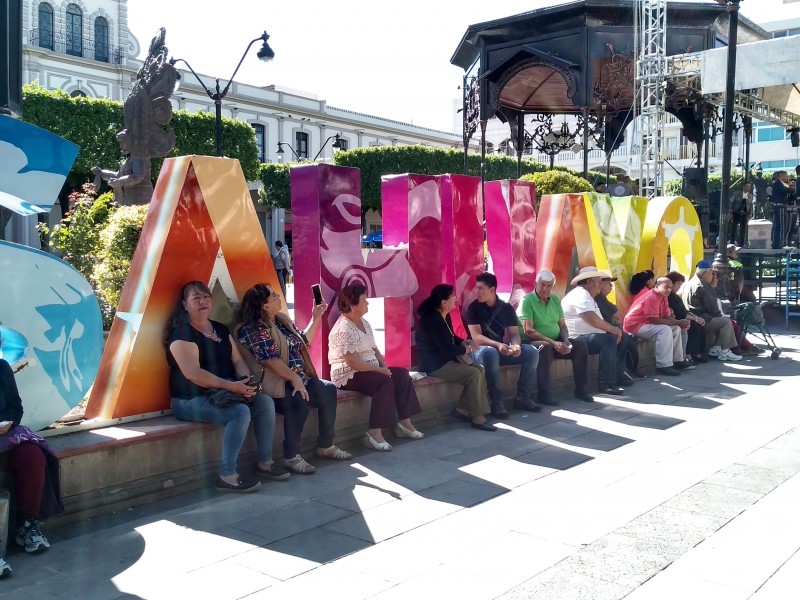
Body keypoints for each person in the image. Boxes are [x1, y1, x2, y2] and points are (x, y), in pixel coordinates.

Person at [165, 281, 284, 493]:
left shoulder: (219, 328)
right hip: (189, 399)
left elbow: (237, 359)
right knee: (239, 412)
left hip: (224, 392)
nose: (202, 301)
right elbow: (194, 374)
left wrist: (246, 381)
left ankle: (265, 462)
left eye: (206, 297)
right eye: (196, 298)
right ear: (185, 304)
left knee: (264, 402)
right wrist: (232, 386)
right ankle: (227, 475)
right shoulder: (181, 334)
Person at [236, 283, 351, 475]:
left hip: (296, 379)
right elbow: (270, 360)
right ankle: (291, 456)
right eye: (273, 296)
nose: (278, 298)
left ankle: (326, 445)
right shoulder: (253, 328)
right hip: (274, 386)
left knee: (328, 389)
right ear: (264, 306)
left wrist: (316, 317)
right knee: (298, 400)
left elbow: (303, 342)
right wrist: (295, 379)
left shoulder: (281, 320)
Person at [328, 284, 423, 451]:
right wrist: (381, 371)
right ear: (352, 305)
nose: (368, 304)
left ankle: (405, 423)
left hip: (370, 369)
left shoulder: (364, 322)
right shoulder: (343, 328)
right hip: (349, 373)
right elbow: (352, 362)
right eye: (364, 300)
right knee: (383, 382)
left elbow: (374, 349)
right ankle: (374, 433)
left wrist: (385, 367)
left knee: (401, 374)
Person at [0, 350, 64, 578]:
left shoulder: (2, 367)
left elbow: (14, 408)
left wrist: (7, 424)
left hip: (3, 437)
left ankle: (27, 526)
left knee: (32, 455)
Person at [415, 284, 496, 431]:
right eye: (452, 297)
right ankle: (478, 417)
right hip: (435, 364)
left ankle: (462, 410)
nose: (455, 299)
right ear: (443, 303)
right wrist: (467, 348)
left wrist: (464, 341)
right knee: (473, 374)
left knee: (479, 369)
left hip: (445, 360)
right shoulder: (433, 320)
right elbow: (446, 349)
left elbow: (451, 338)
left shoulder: (444, 316)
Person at [464, 273, 541, 419]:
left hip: (499, 349)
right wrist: (499, 345)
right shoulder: (473, 308)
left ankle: (522, 397)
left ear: (492, 290)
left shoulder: (506, 308)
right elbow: (476, 337)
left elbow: (514, 334)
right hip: (478, 351)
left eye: (481, 289)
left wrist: (516, 346)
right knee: (490, 352)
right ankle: (496, 401)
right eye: (476, 288)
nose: (477, 292)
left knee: (531, 352)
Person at [517, 270, 593, 404]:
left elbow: (562, 325)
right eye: (542, 285)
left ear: (553, 287)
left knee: (580, 347)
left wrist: (565, 340)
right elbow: (528, 330)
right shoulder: (527, 301)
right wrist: (553, 343)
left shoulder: (556, 300)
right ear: (535, 284)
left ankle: (582, 389)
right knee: (544, 348)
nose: (545, 289)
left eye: (549, 286)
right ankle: (544, 394)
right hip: (532, 342)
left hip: (554, 340)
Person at [560, 267, 627, 395]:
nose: (600, 285)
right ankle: (605, 383)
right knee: (608, 340)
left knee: (619, 337)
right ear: (589, 282)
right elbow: (591, 319)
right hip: (577, 338)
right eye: (598, 282)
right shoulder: (580, 294)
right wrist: (612, 329)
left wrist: (614, 331)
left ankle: (617, 377)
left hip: (588, 336)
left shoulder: (588, 295)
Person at [623, 277, 693, 376]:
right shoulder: (651, 297)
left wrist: (679, 323)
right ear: (656, 286)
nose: (669, 290)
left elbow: (666, 316)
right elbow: (655, 320)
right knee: (665, 330)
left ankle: (678, 360)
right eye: (666, 287)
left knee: (676, 329)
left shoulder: (663, 297)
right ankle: (664, 365)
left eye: (670, 287)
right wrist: (678, 322)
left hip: (647, 325)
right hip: (635, 326)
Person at [679, 261, 742, 362]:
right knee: (725, 322)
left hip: (693, 315)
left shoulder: (690, 282)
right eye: (711, 273)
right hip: (701, 318)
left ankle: (716, 348)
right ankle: (725, 352)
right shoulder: (703, 285)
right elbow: (712, 307)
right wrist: (719, 316)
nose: (713, 276)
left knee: (722, 320)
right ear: (705, 272)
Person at [594, 275, 646, 381]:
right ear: (600, 284)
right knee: (623, 339)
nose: (611, 287)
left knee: (631, 338)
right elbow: (617, 314)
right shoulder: (599, 297)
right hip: (606, 332)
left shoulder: (602, 298)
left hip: (613, 330)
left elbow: (618, 314)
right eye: (609, 284)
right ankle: (620, 373)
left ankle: (629, 369)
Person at [666, 271, 707, 363]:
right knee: (693, 327)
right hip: (676, 319)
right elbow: (680, 314)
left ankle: (697, 353)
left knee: (701, 326)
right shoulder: (668, 297)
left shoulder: (676, 296)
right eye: (678, 284)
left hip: (682, 317)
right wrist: (696, 319)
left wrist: (697, 318)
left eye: (681, 284)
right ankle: (688, 355)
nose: (679, 286)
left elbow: (685, 310)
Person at [771, 171, 792, 249]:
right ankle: (780, 244)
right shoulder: (777, 184)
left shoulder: (781, 184)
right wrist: (791, 188)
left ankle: (777, 243)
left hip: (781, 206)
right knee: (781, 225)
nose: (787, 178)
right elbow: (785, 191)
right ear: (782, 176)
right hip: (779, 206)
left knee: (779, 225)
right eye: (786, 176)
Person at [729, 182, 751, 247]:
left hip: (744, 213)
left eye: (749, 187)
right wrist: (731, 212)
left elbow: (751, 206)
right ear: (743, 186)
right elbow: (732, 203)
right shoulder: (737, 194)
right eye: (746, 186)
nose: (748, 188)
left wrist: (749, 215)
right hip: (736, 213)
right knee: (734, 228)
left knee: (743, 229)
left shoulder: (750, 196)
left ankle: (741, 243)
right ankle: (732, 242)